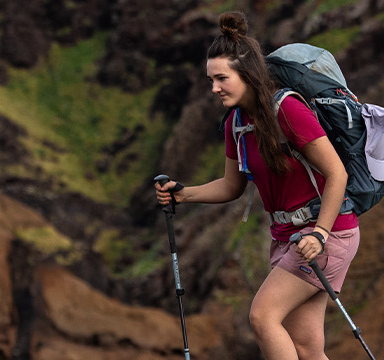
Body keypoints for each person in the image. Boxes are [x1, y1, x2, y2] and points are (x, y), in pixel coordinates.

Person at [154, 12, 360, 360]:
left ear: (247, 75)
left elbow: (337, 174)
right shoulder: (237, 122)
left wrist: (320, 234)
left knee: (263, 316)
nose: (214, 88)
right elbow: (230, 186)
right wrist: (183, 194)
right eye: (211, 79)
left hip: (326, 234)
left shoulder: (288, 110)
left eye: (222, 78)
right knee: (308, 347)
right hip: (287, 238)